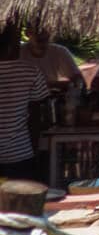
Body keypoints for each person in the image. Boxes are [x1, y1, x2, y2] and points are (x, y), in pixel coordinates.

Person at [0, 45, 51, 182]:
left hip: (20, 155)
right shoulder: (30, 71)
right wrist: (35, 151)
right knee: (21, 201)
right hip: (19, 153)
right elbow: (36, 116)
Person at [19, 27, 83, 91]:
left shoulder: (59, 51)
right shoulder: (18, 52)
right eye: (39, 40)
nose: (43, 44)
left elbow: (78, 80)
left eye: (46, 39)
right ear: (27, 33)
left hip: (50, 96)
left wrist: (76, 83)